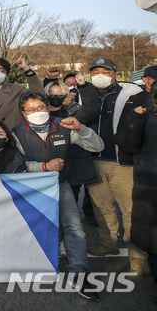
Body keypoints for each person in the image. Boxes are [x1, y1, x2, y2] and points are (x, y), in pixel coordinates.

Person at [11, 91, 104, 301]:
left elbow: (98, 146)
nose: (37, 112)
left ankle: (79, 273)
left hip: (59, 185)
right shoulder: (16, 132)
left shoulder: (63, 125)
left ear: (47, 107)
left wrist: (81, 129)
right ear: (24, 113)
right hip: (31, 187)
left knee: (75, 228)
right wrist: (43, 167)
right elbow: (16, 165)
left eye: (41, 107)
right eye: (31, 109)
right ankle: (31, 267)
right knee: (33, 229)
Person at [85, 58, 150, 275]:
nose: (100, 75)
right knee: (101, 207)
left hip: (123, 162)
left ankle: (137, 255)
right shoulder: (84, 94)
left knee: (131, 210)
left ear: (115, 73)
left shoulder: (133, 94)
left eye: (105, 71)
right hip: (94, 160)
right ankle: (108, 244)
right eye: (95, 72)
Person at [113, 65, 157, 295]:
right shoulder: (141, 111)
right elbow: (126, 144)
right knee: (150, 233)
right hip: (148, 185)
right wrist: (136, 118)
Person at [44, 75, 100, 225]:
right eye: (51, 93)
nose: (55, 96)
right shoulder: (40, 114)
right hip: (47, 165)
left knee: (69, 208)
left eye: (59, 93)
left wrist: (84, 87)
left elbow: (91, 110)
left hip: (71, 167)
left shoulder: (74, 111)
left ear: (66, 94)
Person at [0, 57, 45, 130]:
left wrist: (26, 68)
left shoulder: (16, 89)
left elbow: (39, 95)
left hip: (13, 136)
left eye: (2, 70)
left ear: (6, 74)